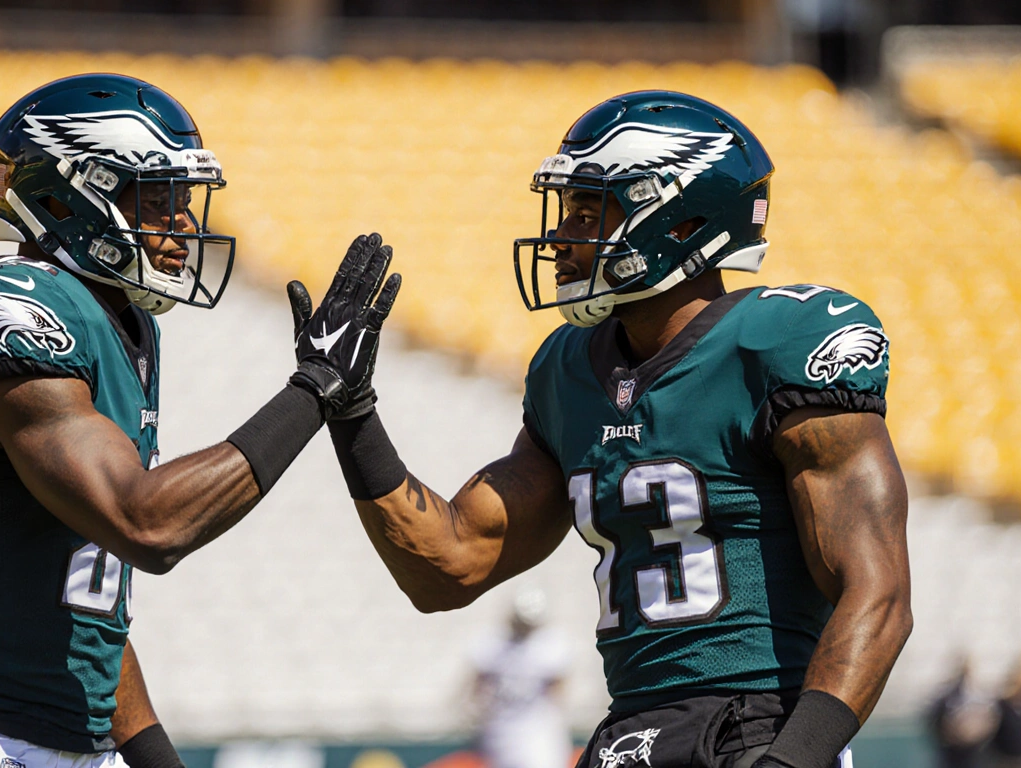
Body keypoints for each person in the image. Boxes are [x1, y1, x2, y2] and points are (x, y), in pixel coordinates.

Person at [315, 91, 913, 768]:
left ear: (680, 221)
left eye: (589, 211)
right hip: (631, 733)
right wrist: (352, 412)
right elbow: (450, 565)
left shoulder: (781, 342)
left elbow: (879, 594)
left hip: (761, 727)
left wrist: (790, 760)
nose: (562, 238)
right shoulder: (568, 370)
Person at [0, 74, 400, 768]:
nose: (185, 228)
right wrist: (312, 391)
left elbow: (84, 611)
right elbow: (146, 525)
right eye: (161, 201)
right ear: (72, 193)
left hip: (76, 742)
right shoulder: (3, 308)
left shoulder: (121, 323)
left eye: (187, 203)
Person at [469, 588, 571, 768]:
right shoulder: (492, 643)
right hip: (501, 730)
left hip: (539, 732)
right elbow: (477, 685)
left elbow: (558, 691)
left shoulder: (551, 645)